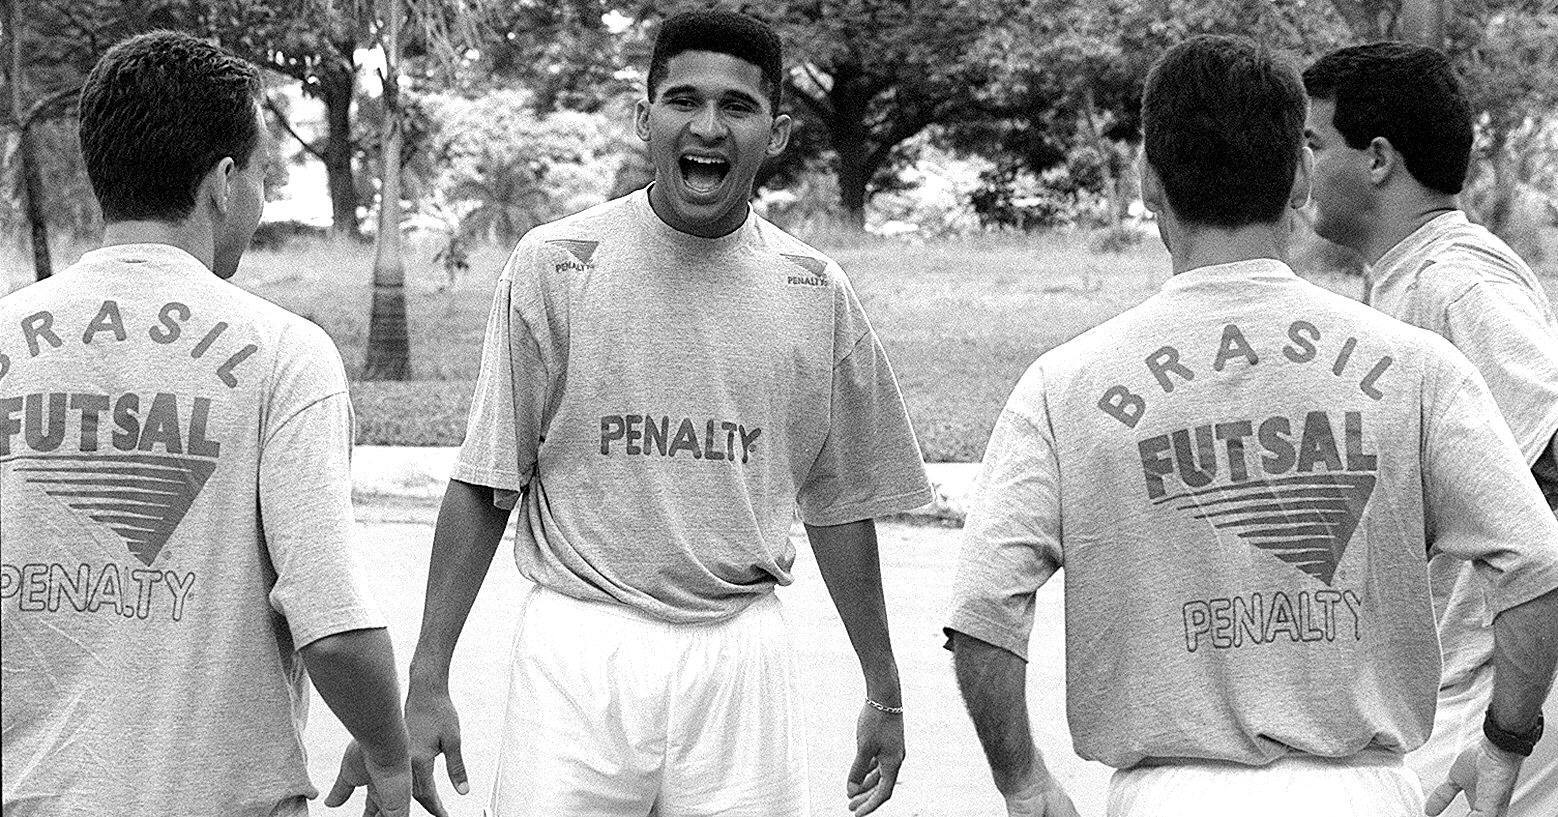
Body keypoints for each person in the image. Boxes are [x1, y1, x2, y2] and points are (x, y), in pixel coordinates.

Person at [945, 34, 1558, 817]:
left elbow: (984, 612)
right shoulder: (1419, 368)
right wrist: (1506, 742)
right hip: (1365, 788)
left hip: (1165, 792)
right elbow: (1537, 564)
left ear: (1146, 181)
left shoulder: (1063, 386)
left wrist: (1023, 782)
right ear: (1300, 178)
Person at [402, 9, 932, 817]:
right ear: (644, 118)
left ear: (778, 131)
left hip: (740, 660)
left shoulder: (814, 289)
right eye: (683, 100)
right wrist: (427, 676)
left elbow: (840, 505)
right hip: (579, 651)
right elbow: (485, 482)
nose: (708, 126)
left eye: (738, 107)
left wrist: (884, 691)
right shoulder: (558, 265)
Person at [0, 31, 409, 816]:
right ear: (223, 181)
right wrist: (388, 754)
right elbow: (331, 624)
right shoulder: (283, 355)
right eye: (258, 173)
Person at [1303, 41, 1558, 816]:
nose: (1300, 165)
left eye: (1315, 144)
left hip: (1491, 695)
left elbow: (1548, 471)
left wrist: (1506, 728)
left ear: (1377, 158)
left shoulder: (1458, 284)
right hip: (1453, 686)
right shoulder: (1413, 276)